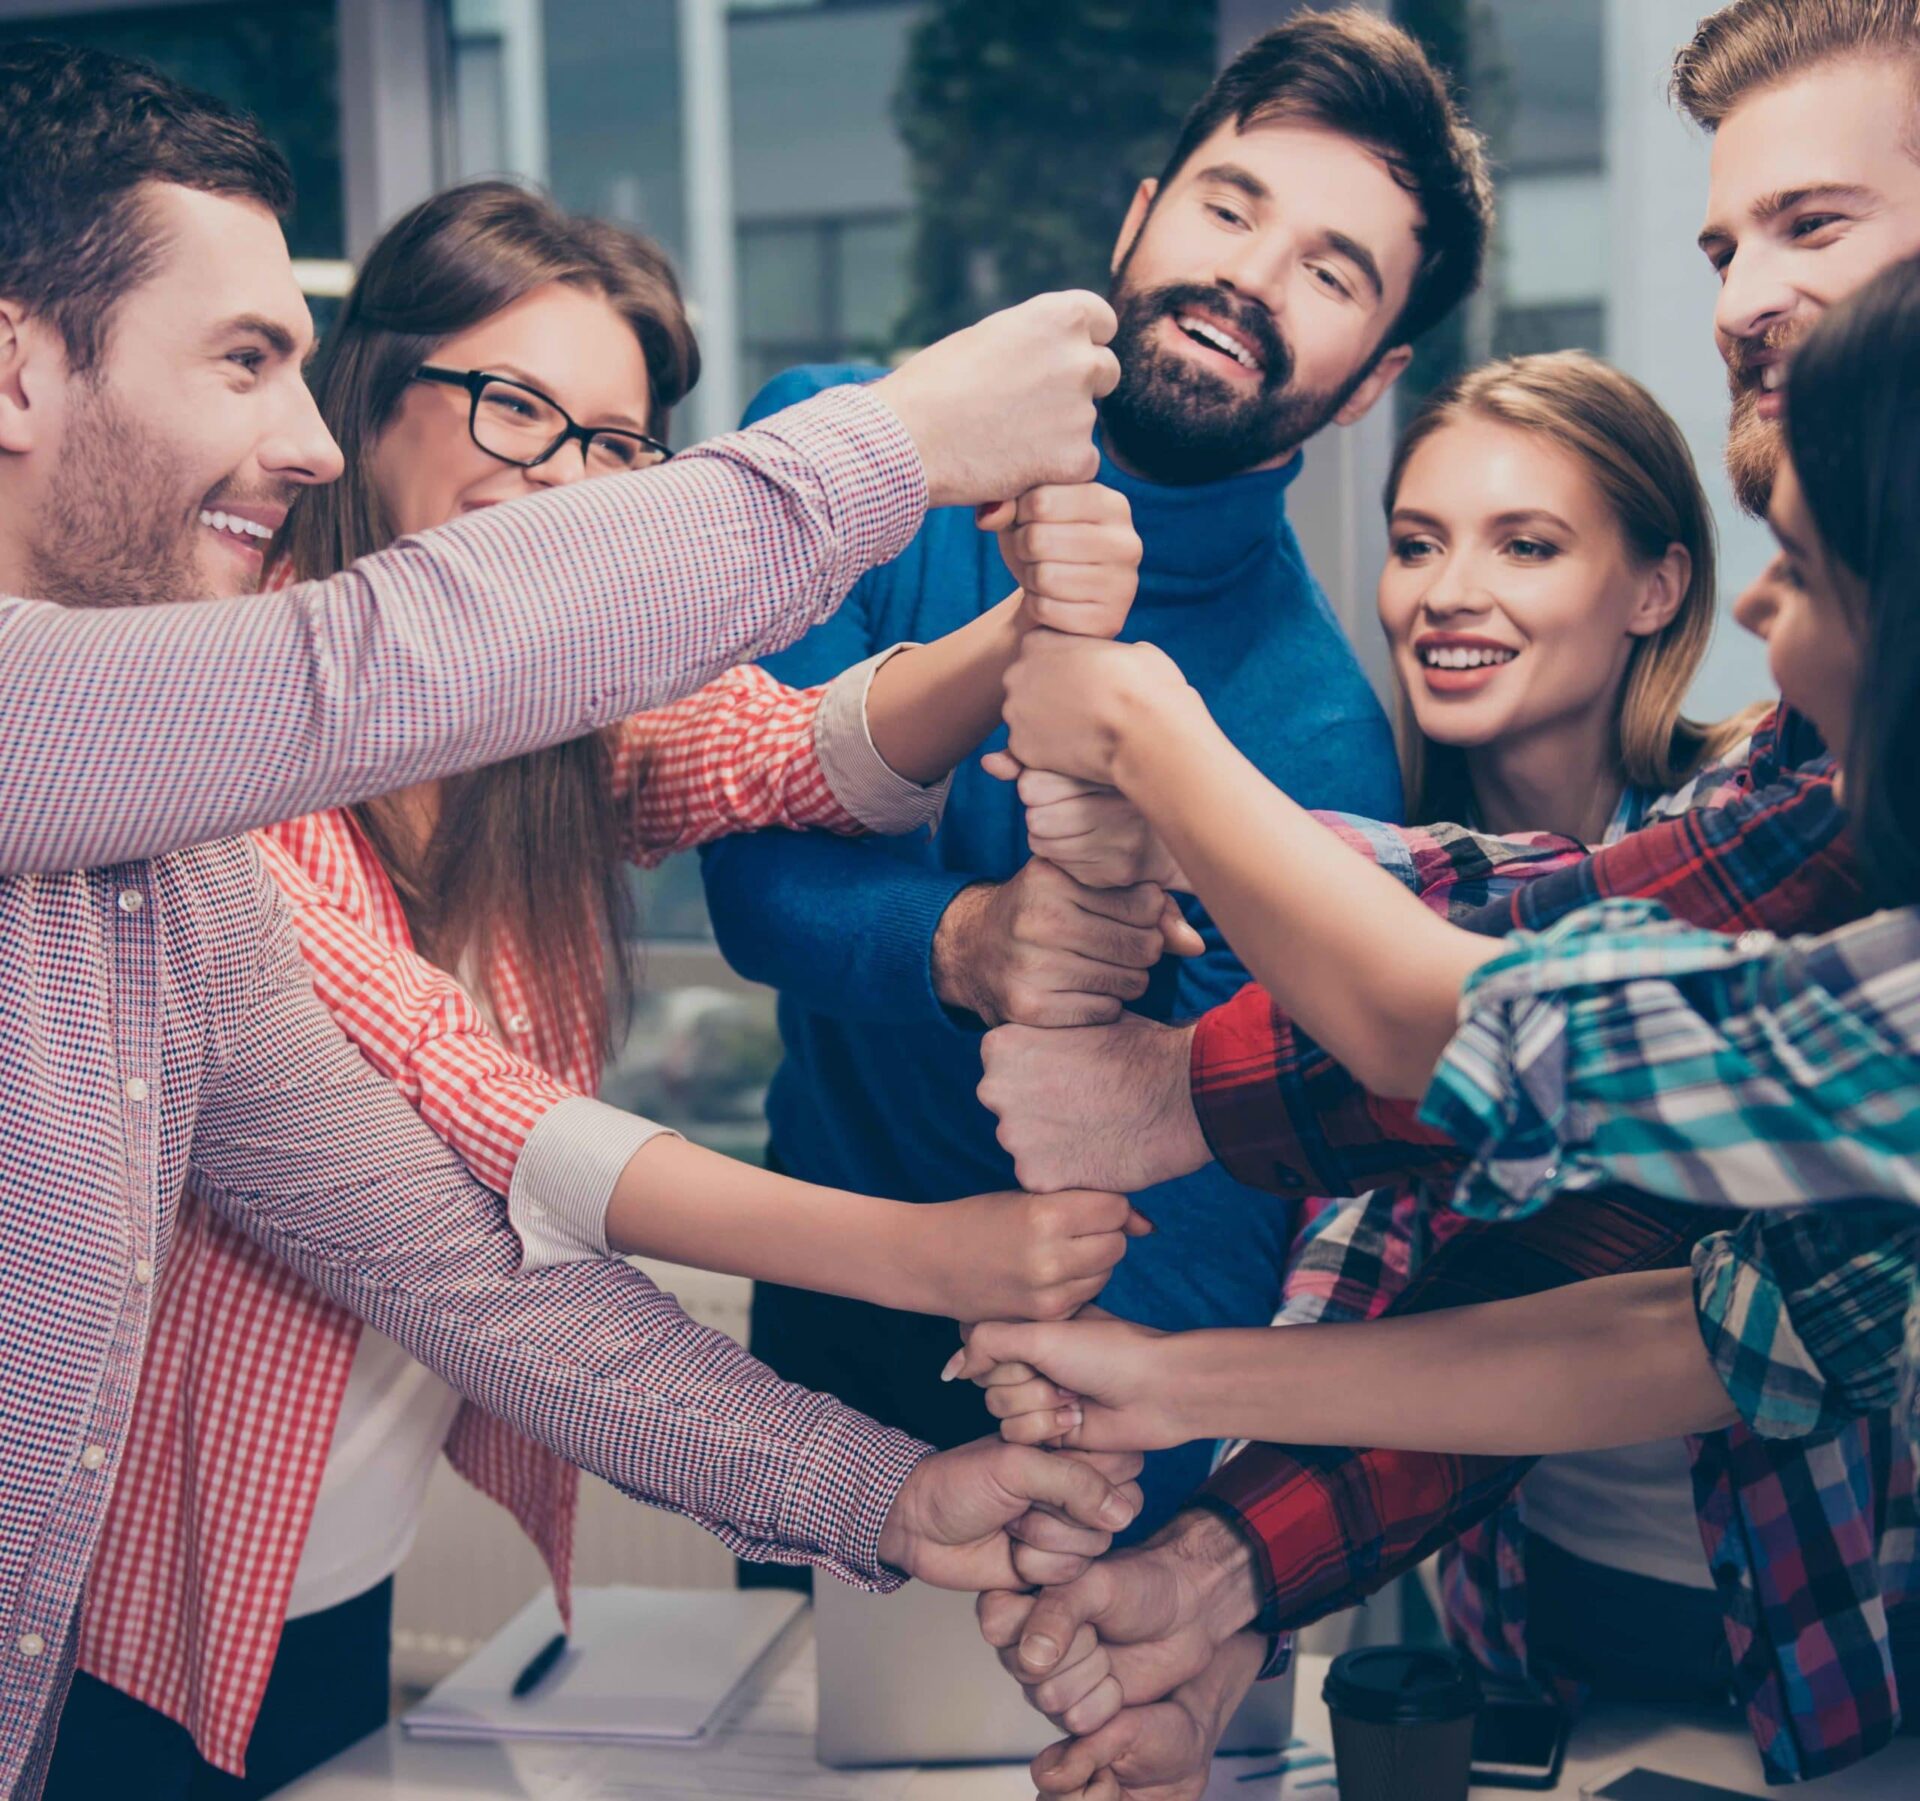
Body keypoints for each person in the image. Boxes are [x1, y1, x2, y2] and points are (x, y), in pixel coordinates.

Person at [0, 44, 1138, 1797]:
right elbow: (379, 662)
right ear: (13, 363)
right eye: (244, 361)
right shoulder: (100, 727)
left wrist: (888, 1497)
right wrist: (901, 440)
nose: (298, 447)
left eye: (613, 441)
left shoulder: (175, 864)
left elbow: (458, 1271)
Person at [962, 1, 1920, 1792]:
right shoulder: (1778, 828)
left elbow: (1493, 1024)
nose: (1737, 294)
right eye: (1726, 241)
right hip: (1539, 1649)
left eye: (1815, 224)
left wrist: (1170, 804)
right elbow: (1687, 1302)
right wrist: (1214, 1554)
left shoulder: (1802, 855)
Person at [700, 4, 1494, 1546]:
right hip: (821, 1315)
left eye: (1331, 271)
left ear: (1371, 377)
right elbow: (750, 884)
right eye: (1229, 204)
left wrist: (1129, 1529)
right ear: (1141, 215)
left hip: (1093, 1395)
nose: (1251, 277)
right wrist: (969, 943)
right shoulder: (856, 457)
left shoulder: (1322, 732)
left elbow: (1222, 1201)